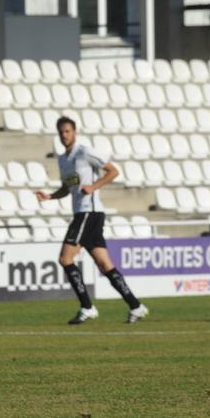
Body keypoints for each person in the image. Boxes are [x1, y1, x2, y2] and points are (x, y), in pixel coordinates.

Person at [35, 115, 149, 324]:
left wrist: (94, 186)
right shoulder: (63, 160)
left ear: (74, 132)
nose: (64, 135)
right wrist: (50, 196)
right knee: (105, 265)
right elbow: (66, 189)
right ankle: (136, 306)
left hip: (89, 212)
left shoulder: (84, 152)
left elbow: (113, 171)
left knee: (65, 259)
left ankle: (87, 307)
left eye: (67, 131)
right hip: (83, 213)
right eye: (61, 132)